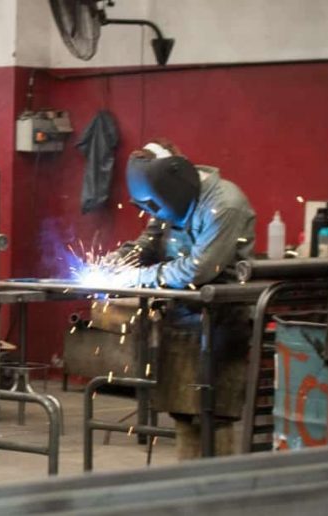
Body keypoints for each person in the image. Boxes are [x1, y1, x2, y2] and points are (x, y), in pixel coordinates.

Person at [108, 139, 257, 459]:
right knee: (184, 415)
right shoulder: (166, 197)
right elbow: (148, 244)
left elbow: (200, 269)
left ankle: (218, 488)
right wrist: (119, 261)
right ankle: (189, 486)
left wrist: (136, 279)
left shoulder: (226, 203)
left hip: (221, 322)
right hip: (180, 318)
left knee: (215, 415)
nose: (156, 213)